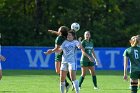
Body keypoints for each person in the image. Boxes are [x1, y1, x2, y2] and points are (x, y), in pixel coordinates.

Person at [44, 26, 71, 92]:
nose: (58, 30)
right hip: (65, 55)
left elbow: (57, 49)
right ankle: (68, 84)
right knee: (61, 70)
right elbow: (59, 33)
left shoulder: (59, 38)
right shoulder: (66, 37)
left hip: (59, 55)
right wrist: (53, 32)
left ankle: (67, 84)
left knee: (58, 71)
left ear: (61, 32)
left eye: (59, 29)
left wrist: (50, 52)